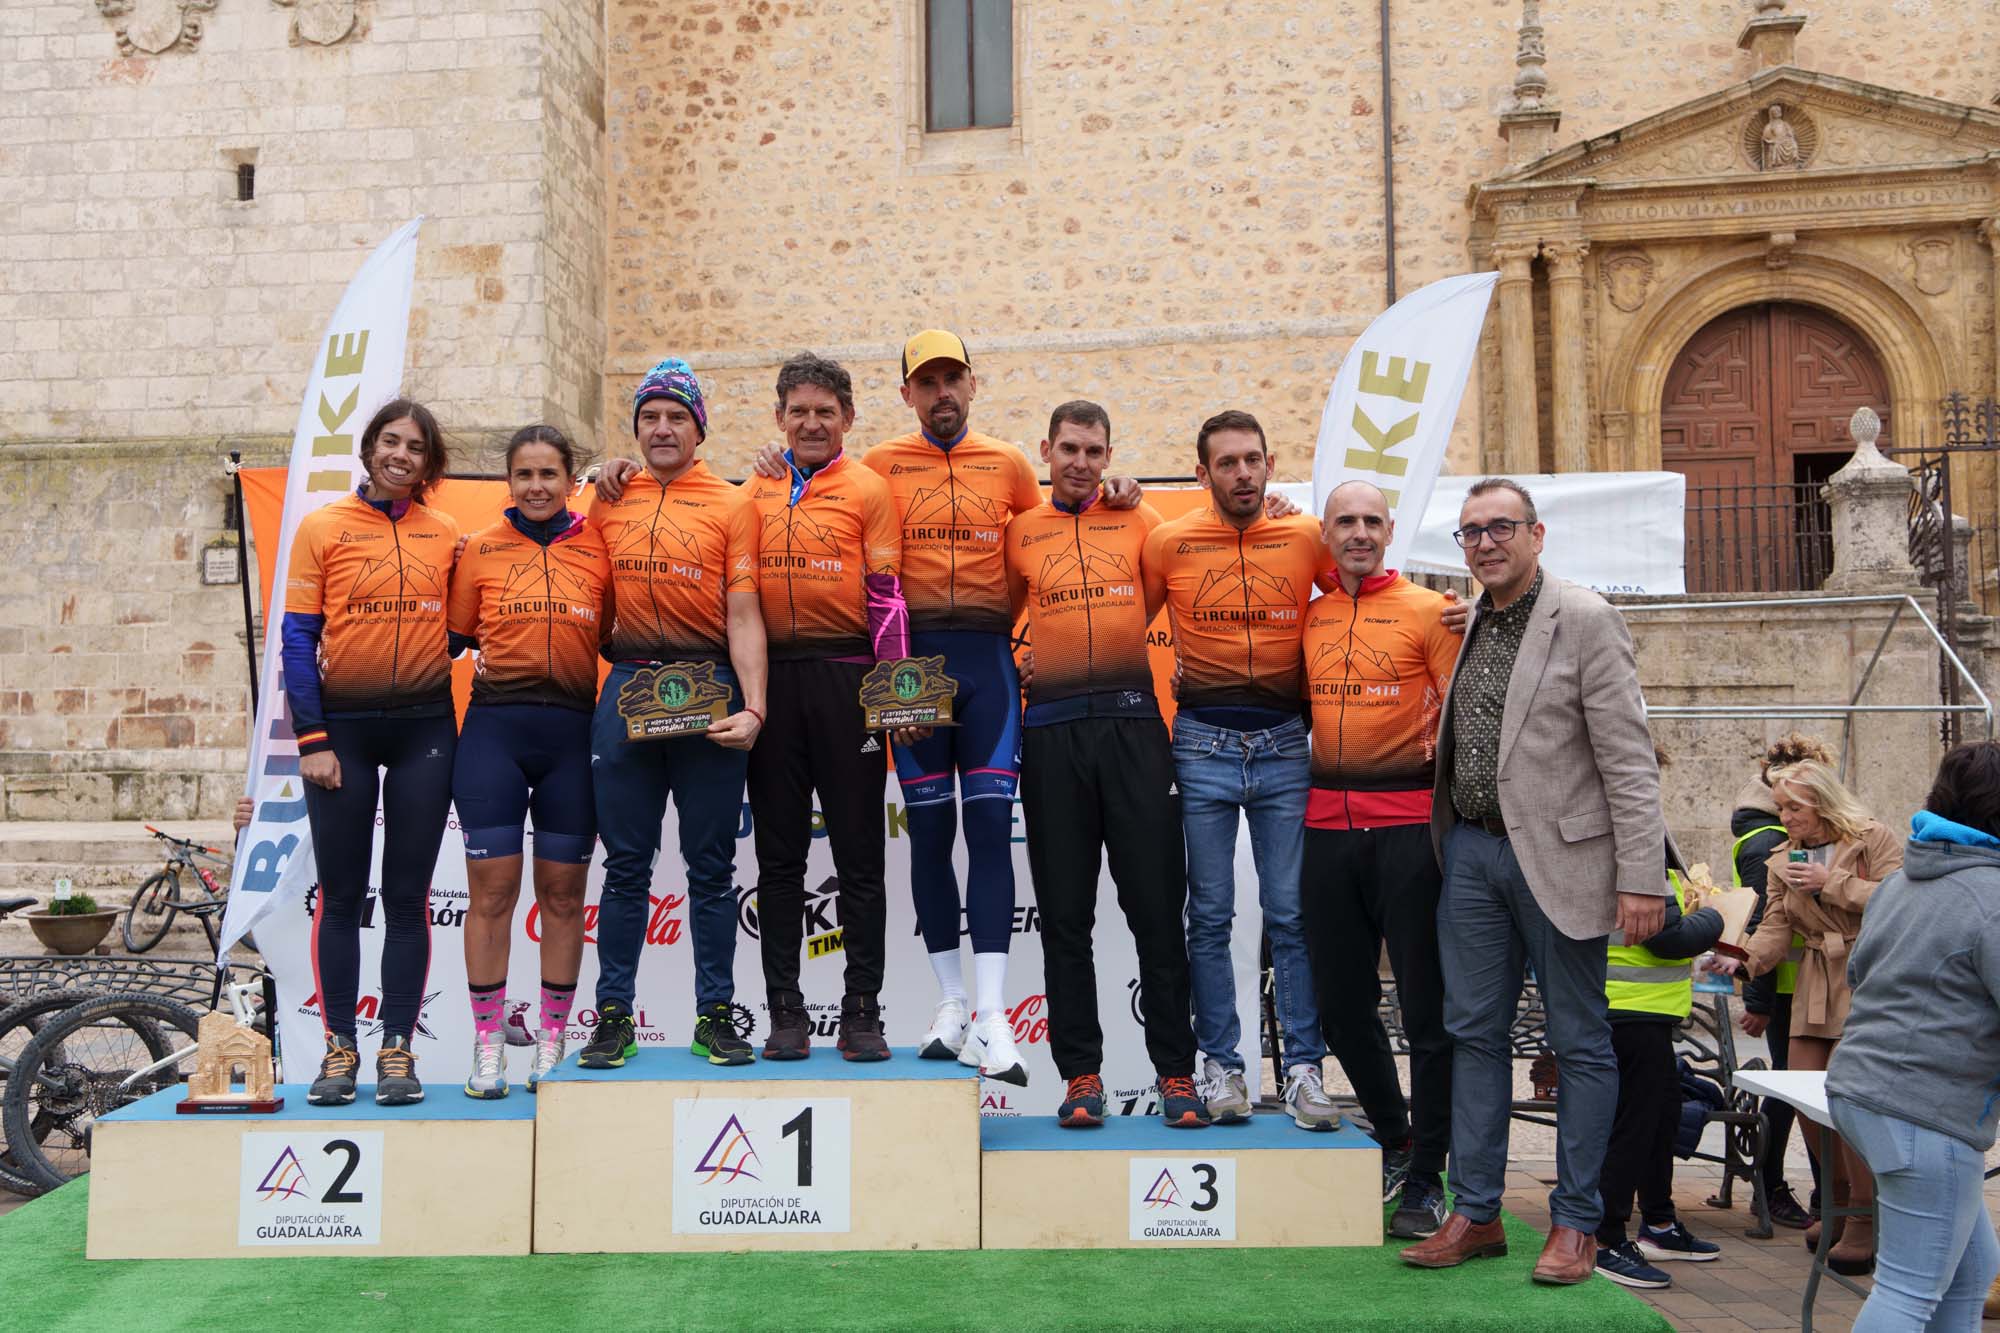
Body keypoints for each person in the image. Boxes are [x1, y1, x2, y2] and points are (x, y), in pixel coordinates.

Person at [1401, 477, 1669, 1286]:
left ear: (1537, 533)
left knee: (1580, 1041)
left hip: (1562, 858)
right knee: (1473, 1035)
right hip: (1472, 854)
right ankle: (1477, 1211)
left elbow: (1629, 758)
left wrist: (1642, 876)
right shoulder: (1475, 619)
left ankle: (1578, 1222)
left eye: (1501, 527)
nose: (1485, 542)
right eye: (1471, 531)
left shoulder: (1585, 617)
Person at [1004, 400, 1208, 1129]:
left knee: (1156, 910)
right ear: (1046, 451)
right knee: (1065, 917)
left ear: (1110, 456)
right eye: (1069, 449)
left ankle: (1176, 1073)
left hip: (1132, 728)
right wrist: (1020, 662)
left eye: (1094, 451)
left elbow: (1162, 601)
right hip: (1052, 735)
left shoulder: (1142, 522)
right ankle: (1080, 1076)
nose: (1081, 463)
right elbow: (995, 622)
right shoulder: (1021, 530)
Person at [1141, 409, 1342, 1131]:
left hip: (1285, 742)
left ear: (1270, 463)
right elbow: (1120, 622)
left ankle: (1303, 1071)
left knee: (1292, 915)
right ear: (1203, 474)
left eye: (1253, 459)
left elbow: (1361, 596)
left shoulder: (1306, 535)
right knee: (1210, 917)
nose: (1243, 473)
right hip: (1203, 744)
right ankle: (1222, 1066)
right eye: (1227, 462)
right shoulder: (1169, 542)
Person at [580, 358, 767, 1070]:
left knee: (711, 867)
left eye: (677, 417)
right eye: (650, 417)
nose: (663, 428)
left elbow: (744, 613)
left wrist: (755, 707)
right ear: (636, 429)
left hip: (708, 684)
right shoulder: (609, 498)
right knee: (626, 866)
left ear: (699, 430)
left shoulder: (731, 503)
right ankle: (613, 1019)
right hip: (630, 681)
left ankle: (715, 1017)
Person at [284, 398, 460, 1107]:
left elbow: (462, 628)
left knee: (408, 898)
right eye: (390, 441)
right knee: (342, 896)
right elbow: (297, 638)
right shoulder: (323, 527)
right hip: (344, 732)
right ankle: (339, 1049)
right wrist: (312, 739)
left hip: (425, 729)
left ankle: (397, 1049)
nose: (400, 455)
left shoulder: (446, 534)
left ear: (429, 462)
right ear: (368, 449)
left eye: (415, 447)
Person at [1297, 480, 1459, 1226]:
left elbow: (1463, 719)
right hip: (1327, 832)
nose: (1359, 532)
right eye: (1345, 521)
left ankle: (1429, 1176)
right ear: (1326, 534)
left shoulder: (1432, 610)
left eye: (1371, 520)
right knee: (1339, 1007)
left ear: (1391, 531)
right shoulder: (1313, 615)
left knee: (1426, 1010)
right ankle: (1397, 1138)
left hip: (1409, 833)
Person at [741, 353, 907, 1062]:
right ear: (779, 417)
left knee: (859, 856)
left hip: (848, 678)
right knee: (778, 860)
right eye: (799, 411)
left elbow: (886, 595)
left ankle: (862, 1010)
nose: (812, 423)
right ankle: (785, 1011)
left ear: (848, 417)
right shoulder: (753, 487)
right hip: (772, 681)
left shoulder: (869, 488)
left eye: (825, 412)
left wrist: (896, 693)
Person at [446, 426, 611, 1096]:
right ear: (507, 481)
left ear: (571, 480)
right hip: (495, 734)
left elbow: (617, 634)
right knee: (491, 895)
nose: (537, 486)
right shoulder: (480, 550)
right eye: (524, 474)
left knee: (564, 897)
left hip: (572, 734)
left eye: (549, 474)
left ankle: (551, 1043)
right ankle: (488, 1047)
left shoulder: (598, 547)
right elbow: (453, 637)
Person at [1827, 740, 2000, 1331]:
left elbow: (1860, 975)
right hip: (1924, 1109)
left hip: (1864, 1091)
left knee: (1971, 1272)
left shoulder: (1902, 882)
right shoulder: (1991, 895)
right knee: (1909, 1289)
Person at [1706, 756, 1900, 1275]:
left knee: (1851, 1101)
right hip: (1815, 983)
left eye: (1794, 807)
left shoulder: (1873, 837)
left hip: (1866, 976)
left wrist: (1830, 882)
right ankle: (1834, 1199)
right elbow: (1775, 926)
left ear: (1822, 802)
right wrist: (1742, 958)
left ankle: (1864, 1213)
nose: (1785, 817)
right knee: (1805, 1096)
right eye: (1781, 808)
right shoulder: (1781, 857)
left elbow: (1900, 899)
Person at [1592, 860, 1725, 1289]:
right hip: (1631, 1011)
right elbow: (1670, 939)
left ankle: (1659, 1224)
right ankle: (1605, 1239)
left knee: (1662, 1117)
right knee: (1634, 1127)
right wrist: (1716, 916)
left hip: (1638, 1010)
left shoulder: (1620, 855)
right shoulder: (1638, 855)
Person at [1732, 733, 1833, 1231]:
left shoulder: (1770, 831)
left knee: (1802, 1089)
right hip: (1791, 986)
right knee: (1796, 1090)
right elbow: (1764, 921)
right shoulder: (1770, 841)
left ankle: (1823, 1193)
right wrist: (1758, 999)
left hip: (1804, 984)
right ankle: (1775, 1187)